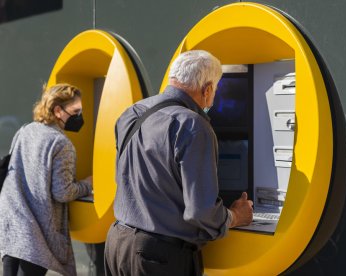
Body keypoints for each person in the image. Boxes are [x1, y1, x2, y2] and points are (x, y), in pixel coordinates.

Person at [104, 50, 253, 276]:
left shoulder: (133, 113)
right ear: (208, 89)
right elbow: (200, 211)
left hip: (117, 244)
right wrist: (234, 216)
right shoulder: (192, 125)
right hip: (158, 256)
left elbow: (123, 178)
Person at [0, 83, 93, 276]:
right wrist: (87, 185)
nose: (80, 116)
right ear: (58, 110)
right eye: (76, 111)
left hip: (11, 226)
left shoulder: (25, 131)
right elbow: (63, 192)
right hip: (35, 235)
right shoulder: (61, 143)